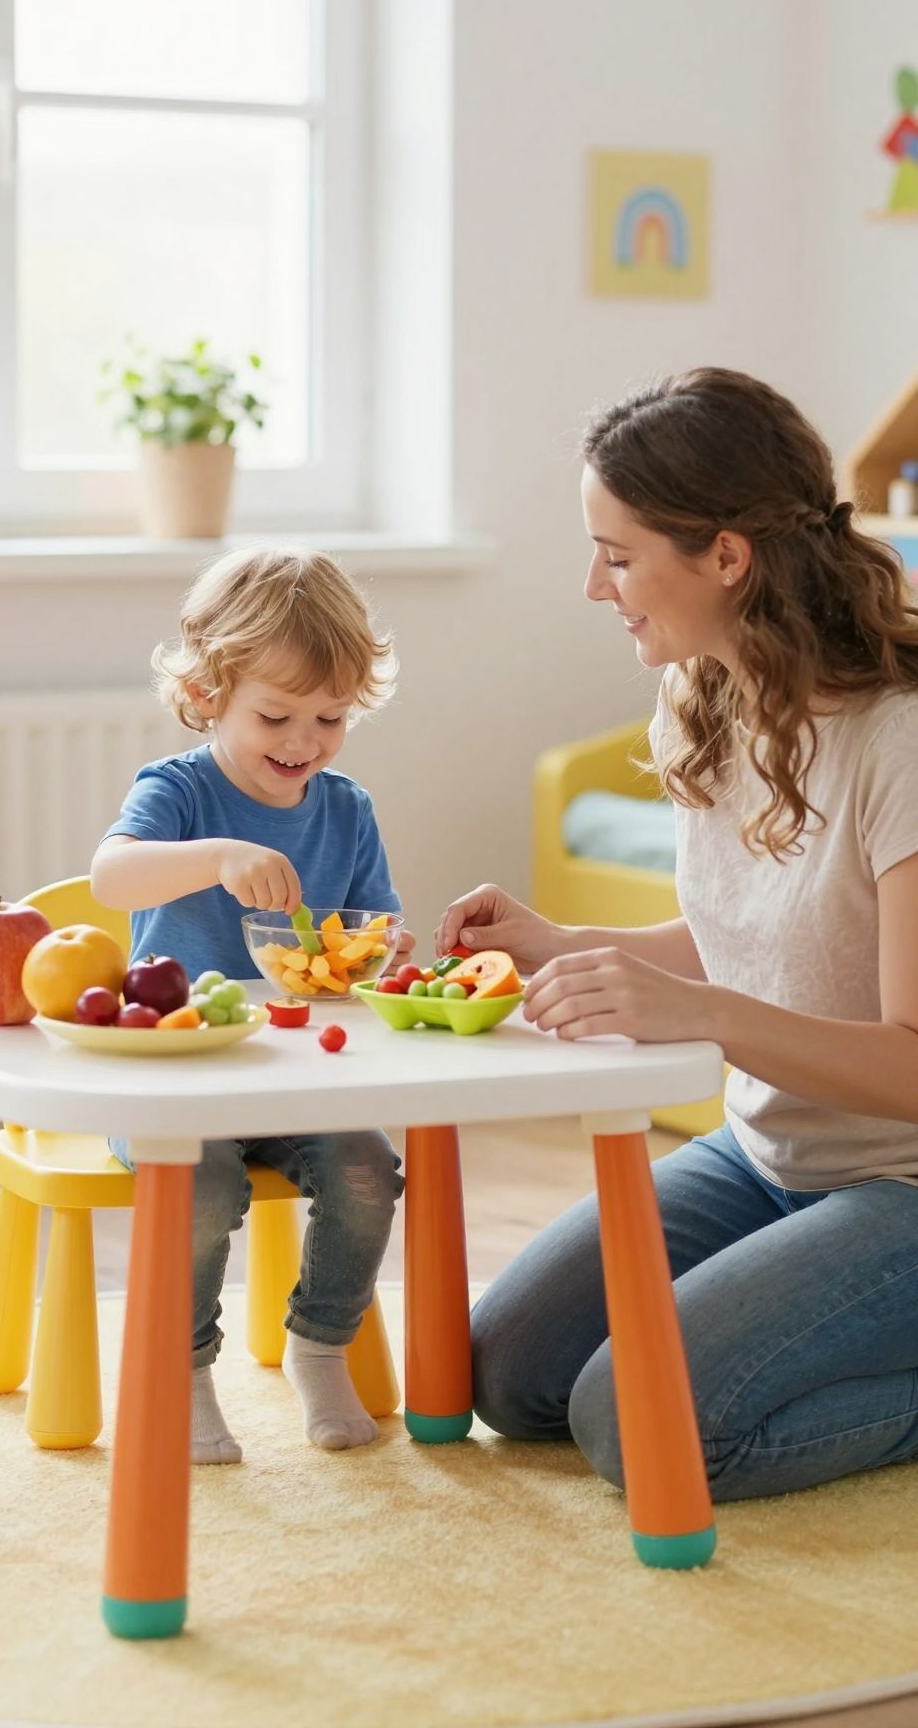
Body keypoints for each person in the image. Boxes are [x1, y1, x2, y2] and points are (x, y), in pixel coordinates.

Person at [437, 367, 918, 1503]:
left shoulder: (899, 744)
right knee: (505, 1374)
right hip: (766, 1158)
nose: (594, 585)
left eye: (616, 553)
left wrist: (702, 1019)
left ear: (726, 557)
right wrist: (555, 942)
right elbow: (749, 939)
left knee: (637, 1420)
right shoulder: (707, 695)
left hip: (901, 1183)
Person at [91, 546, 414, 1465]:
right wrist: (217, 855)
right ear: (206, 694)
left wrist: (384, 948)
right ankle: (185, 1372)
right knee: (202, 1189)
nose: (303, 740)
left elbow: (373, 922)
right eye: (275, 714)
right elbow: (112, 876)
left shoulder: (346, 810)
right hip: (174, 1080)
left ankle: (319, 1347)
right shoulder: (178, 793)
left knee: (366, 1172)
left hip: (295, 1078)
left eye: (331, 717)